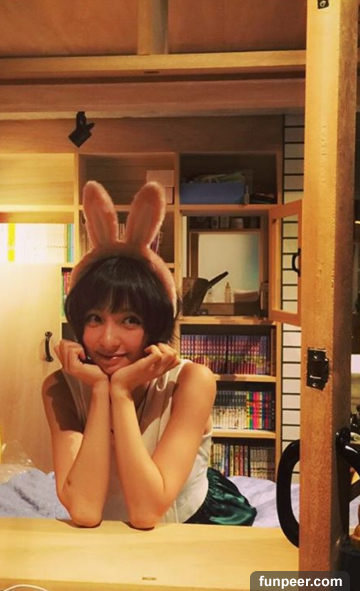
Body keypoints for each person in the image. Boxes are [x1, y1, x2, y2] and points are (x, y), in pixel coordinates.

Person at [42, 181, 256, 528]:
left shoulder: (192, 381)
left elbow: (147, 513)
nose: (107, 340)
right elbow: (84, 510)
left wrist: (121, 392)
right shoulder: (60, 388)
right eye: (94, 318)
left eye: (129, 320)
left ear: (155, 324)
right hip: (106, 530)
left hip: (188, 521)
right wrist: (101, 390)